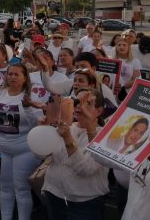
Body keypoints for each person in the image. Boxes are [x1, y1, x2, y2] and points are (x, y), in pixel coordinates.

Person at [0, 63, 44, 220]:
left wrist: (27, 108)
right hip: (4, 150)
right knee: (5, 188)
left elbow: (37, 125)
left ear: (25, 78)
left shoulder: (31, 97)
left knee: (21, 189)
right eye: (10, 74)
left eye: (17, 74)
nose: (12, 77)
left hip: (25, 150)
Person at [42, 89, 109, 220]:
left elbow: (86, 169)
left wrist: (68, 139)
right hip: (54, 195)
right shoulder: (67, 126)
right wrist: (44, 132)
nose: (79, 106)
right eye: (77, 101)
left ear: (99, 111)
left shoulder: (106, 136)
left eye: (87, 103)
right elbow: (42, 156)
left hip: (85, 203)